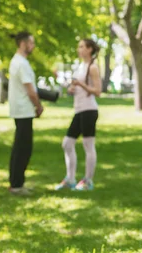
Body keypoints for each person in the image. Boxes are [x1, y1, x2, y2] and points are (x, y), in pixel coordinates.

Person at [55, 38, 102, 191]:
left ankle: (88, 181)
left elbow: (98, 91)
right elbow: (77, 86)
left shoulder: (93, 67)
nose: (79, 49)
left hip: (89, 110)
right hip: (79, 110)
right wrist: (71, 88)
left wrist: (80, 84)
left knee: (88, 145)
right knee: (67, 144)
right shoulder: (80, 66)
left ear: (89, 49)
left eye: (82, 46)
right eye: (79, 46)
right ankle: (70, 178)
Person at [8, 31, 42, 196]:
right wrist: (39, 106)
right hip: (23, 110)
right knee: (23, 148)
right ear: (23, 43)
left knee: (21, 147)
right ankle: (16, 185)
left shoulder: (18, 62)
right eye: (31, 43)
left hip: (21, 110)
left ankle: (18, 183)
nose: (33, 46)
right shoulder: (21, 63)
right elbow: (31, 91)